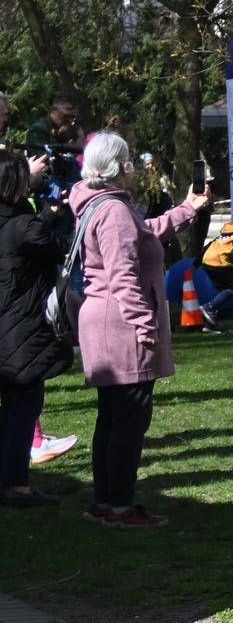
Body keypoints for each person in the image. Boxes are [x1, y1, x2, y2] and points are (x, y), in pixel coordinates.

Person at [73, 134, 209, 527]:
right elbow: (122, 275)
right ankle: (119, 506)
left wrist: (186, 209)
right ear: (120, 167)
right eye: (128, 160)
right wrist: (144, 325)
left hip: (105, 321)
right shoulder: (113, 210)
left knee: (112, 417)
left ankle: (105, 502)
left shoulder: (96, 202)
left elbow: (142, 231)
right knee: (129, 420)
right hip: (120, 325)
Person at [0, 151, 70, 508]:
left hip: (9, 327)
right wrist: (54, 215)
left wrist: (44, 215)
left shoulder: (21, 225)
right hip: (18, 331)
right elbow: (60, 249)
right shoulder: (25, 226)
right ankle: (15, 485)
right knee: (22, 407)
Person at [196, 207, 233, 333]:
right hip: (219, 262)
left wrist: (197, 261)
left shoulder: (232, 226)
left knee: (222, 291)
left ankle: (210, 326)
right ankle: (209, 307)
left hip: (207, 259)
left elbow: (214, 242)